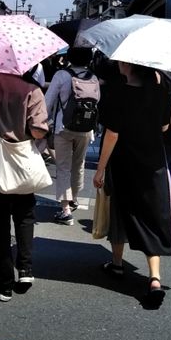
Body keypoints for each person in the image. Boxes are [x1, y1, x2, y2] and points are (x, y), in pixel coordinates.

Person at [93, 61, 171, 305]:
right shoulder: (160, 90)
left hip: (124, 162)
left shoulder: (119, 92)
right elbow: (164, 126)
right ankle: (154, 277)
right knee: (150, 216)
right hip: (153, 161)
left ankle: (117, 264)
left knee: (121, 212)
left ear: (129, 64)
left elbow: (112, 134)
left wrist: (100, 168)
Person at [0, 72, 49, 302]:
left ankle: (4, 283)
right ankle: (25, 269)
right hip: (21, 158)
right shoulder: (32, 90)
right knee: (24, 214)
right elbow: (38, 131)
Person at [45, 47, 99, 225]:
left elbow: (48, 101)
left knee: (63, 167)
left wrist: (45, 122)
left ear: (69, 58)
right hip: (86, 129)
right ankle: (74, 198)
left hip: (63, 128)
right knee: (79, 165)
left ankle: (65, 210)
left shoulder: (61, 75)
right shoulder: (93, 77)